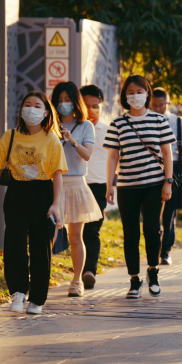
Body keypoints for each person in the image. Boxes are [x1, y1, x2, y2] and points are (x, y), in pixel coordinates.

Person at [0, 91, 67, 315]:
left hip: (43, 193)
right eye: (27, 104)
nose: (31, 109)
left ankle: (37, 298)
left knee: (40, 247)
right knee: (14, 244)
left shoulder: (51, 139)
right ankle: (18, 292)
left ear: (45, 113)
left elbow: (58, 173)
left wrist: (56, 204)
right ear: (21, 110)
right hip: (17, 192)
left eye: (36, 105)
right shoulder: (10, 136)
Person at [104, 75, 176, 299]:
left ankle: (153, 273)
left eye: (139, 91)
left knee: (152, 230)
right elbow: (112, 157)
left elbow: (167, 153)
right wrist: (109, 185)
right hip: (127, 186)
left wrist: (168, 181)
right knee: (130, 233)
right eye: (130, 92)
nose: (135, 96)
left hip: (154, 185)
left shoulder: (159, 120)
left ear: (147, 93)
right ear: (125, 96)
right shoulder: (117, 123)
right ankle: (134, 279)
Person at [52, 81, 103, 298]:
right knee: (49, 236)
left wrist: (72, 140)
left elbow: (87, 154)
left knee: (75, 236)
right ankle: (43, 276)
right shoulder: (49, 125)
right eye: (60, 100)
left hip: (76, 184)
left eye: (68, 100)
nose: (64, 104)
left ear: (75, 102)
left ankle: (76, 281)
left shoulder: (85, 126)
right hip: (54, 184)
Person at [150, 87, 182, 265]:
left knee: (170, 214)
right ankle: (154, 249)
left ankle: (165, 252)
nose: (159, 109)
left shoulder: (177, 122)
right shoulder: (146, 121)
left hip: (174, 169)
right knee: (153, 212)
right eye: (155, 105)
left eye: (162, 105)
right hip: (152, 168)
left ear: (168, 104)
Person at [79, 84, 109, 290]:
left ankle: (89, 270)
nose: (91, 110)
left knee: (92, 230)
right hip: (75, 183)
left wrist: (112, 185)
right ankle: (76, 270)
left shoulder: (108, 130)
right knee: (74, 232)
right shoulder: (74, 128)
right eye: (86, 105)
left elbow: (115, 160)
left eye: (95, 105)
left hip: (98, 186)